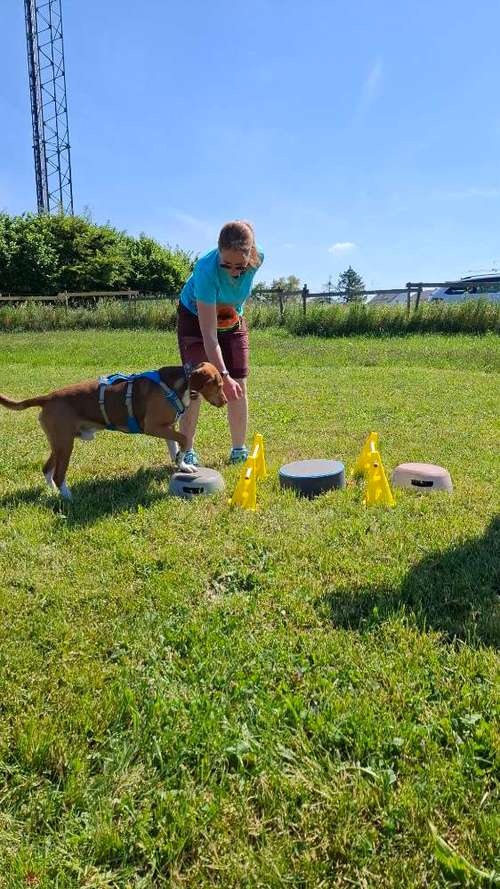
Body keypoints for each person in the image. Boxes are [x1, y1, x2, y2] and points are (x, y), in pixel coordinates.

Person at [176, 220, 264, 465]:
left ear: (251, 256)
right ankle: (186, 451)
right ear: (218, 253)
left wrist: (229, 378)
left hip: (232, 317)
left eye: (241, 267)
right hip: (196, 319)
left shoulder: (259, 259)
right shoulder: (206, 270)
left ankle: (238, 450)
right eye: (227, 265)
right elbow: (209, 335)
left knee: (239, 384)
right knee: (196, 384)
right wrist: (222, 376)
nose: (234, 272)